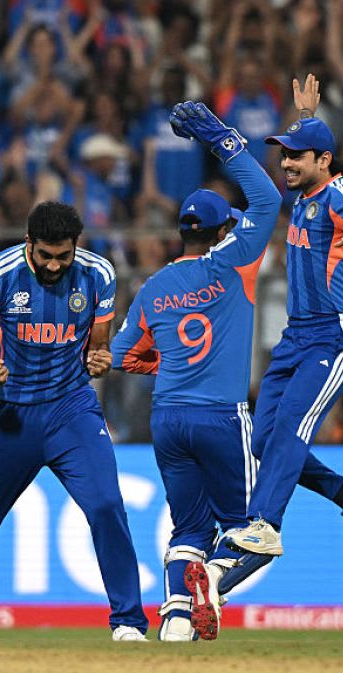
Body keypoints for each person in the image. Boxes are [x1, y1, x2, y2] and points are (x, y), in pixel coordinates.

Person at [0, 201, 149, 642]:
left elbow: (99, 345)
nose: (53, 265)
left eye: (63, 256)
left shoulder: (99, 274)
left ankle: (128, 622)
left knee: (107, 506)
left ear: (76, 246)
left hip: (72, 409)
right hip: (10, 412)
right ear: (28, 242)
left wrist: (100, 358)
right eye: (45, 255)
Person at [111, 102, 279, 641]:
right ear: (225, 228)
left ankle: (177, 620)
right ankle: (211, 580)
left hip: (168, 417)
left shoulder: (154, 286)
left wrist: (164, 362)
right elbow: (268, 198)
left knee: (187, 527)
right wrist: (221, 139)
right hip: (222, 417)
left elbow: (121, 355)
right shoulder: (235, 260)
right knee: (255, 531)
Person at [224, 75, 343, 560]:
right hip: (296, 337)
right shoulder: (304, 192)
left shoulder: (339, 197)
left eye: (297, 156)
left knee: (293, 424)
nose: (287, 163)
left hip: (334, 337)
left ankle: (265, 523)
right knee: (264, 441)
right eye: (285, 155)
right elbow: (310, 152)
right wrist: (305, 120)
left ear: (324, 161)